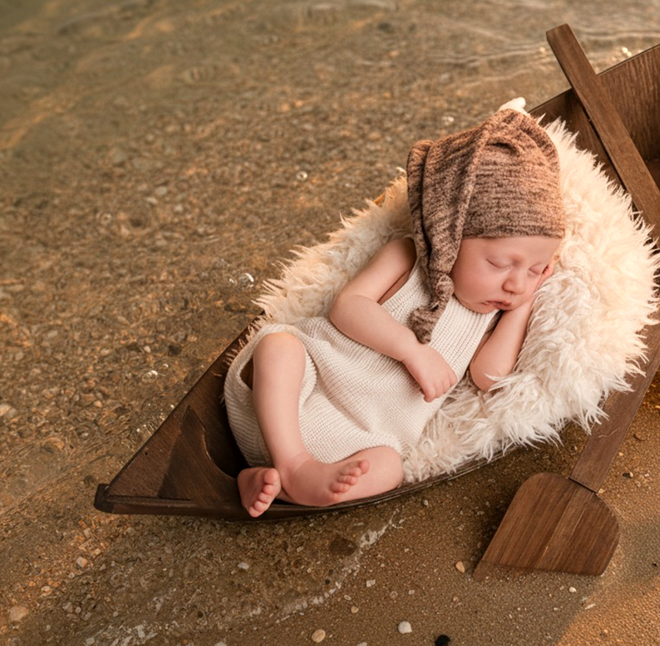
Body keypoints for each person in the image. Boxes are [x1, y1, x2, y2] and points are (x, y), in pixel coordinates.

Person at [224, 105, 566, 515]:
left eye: (534, 270)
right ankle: (292, 463)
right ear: (450, 237)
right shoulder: (407, 256)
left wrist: (520, 309)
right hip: (294, 397)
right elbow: (347, 308)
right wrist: (412, 349)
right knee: (279, 345)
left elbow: (490, 377)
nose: (515, 283)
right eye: (499, 264)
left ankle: (272, 482)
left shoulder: (490, 312)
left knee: (390, 469)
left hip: (352, 446)